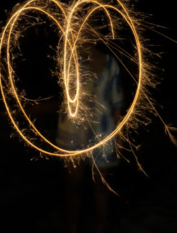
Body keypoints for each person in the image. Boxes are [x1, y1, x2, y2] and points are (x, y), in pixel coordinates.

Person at [56, 41, 124, 233]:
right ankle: (72, 227)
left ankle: (100, 227)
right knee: (73, 184)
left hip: (103, 133)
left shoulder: (111, 63)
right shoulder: (71, 61)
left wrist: (119, 135)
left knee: (101, 186)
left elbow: (117, 103)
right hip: (72, 132)